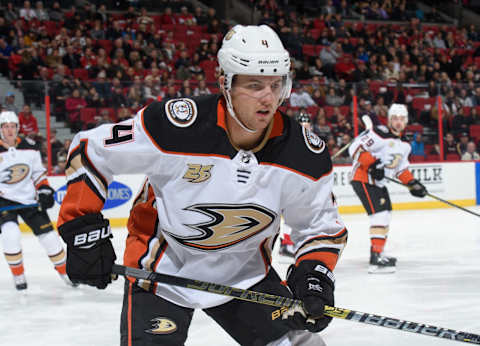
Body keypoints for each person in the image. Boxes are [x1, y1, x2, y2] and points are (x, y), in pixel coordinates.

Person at [57, 25, 347, 346]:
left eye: (275, 84)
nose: (268, 97)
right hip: (159, 274)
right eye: (254, 85)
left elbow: (320, 228)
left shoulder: (303, 153)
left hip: (246, 277)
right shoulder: (175, 127)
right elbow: (91, 150)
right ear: (225, 82)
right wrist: (82, 229)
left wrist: (314, 277)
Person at [348, 104, 427, 274]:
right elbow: (354, 148)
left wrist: (413, 184)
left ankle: (379, 252)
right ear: (390, 119)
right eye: (395, 118)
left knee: (386, 213)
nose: (398, 122)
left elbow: (400, 170)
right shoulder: (378, 133)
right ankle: (375, 259)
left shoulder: (405, 145)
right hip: (363, 178)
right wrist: (373, 164)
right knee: (380, 214)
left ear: (406, 121)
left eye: (402, 119)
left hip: (378, 183)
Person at [0, 111, 74, 290]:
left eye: (13, 126)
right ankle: (19, 277)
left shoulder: (30, 147)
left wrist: (45, 189)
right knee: (11, 236)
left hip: (29, 200)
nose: (9, 130)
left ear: (18, 128)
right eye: (5, 127)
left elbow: (38, 174)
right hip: (4, 202)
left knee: (50, 238)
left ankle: (66, 273)